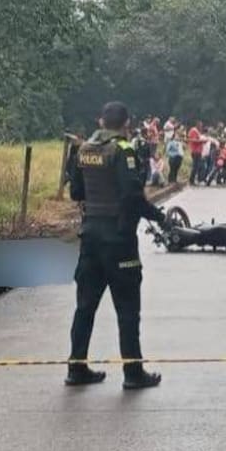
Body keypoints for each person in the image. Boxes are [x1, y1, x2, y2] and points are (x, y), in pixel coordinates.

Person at [67, 101, 165, 389]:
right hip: (118, 239)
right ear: (126, 124)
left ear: (100, 122)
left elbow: (76, 192)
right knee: (127, 308)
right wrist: (160, 218)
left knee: (84, 306)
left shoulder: (83, 151)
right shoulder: (124, 151)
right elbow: (132, 196)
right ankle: (133, 373)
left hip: (89, 236)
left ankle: (76, 367)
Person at [187, 121, 205, 186]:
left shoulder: (198, 132)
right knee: (195, 166)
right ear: (197, 125)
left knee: (197, 166)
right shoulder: (193, 130)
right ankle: (191, 180)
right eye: (200, 126)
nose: (201, 127)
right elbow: (192, 140)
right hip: (195, 151)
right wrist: (201, 141)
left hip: (199, 151)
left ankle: (193, 179)